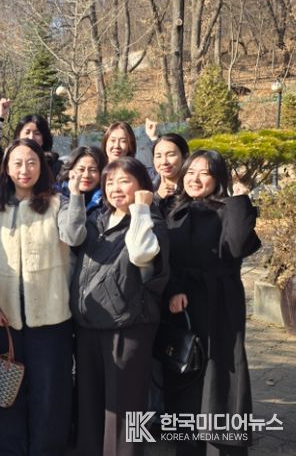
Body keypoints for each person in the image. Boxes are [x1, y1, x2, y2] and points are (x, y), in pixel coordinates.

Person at [0, 138, 86, 455]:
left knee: (50, 394)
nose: (24, 169)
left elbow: (74, 236)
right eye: (17, 163)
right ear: (6, 168)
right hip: (5, 318)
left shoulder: (56, 203)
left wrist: (76, 194)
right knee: (7, 391)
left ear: (42, 166)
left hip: (51, 317)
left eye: (32, 162)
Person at [161, 150, 260, 456]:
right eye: (190, 172)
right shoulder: (173, 209)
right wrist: (173, 289)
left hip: (220, 303)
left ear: (218, 177)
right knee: (186, 372)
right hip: (182, 307)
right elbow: (164, 258)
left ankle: (227, 445)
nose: (195, 179)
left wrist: (240, 198)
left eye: (204, 173)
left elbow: (238, 245)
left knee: (222, 374)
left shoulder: (228, 208)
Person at [71, 156, 170, 456]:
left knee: (125, 410)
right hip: (89, 326)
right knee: (90, 405)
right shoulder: (97, 220)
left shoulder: (151, 222)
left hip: (128, 327)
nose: (116, 188)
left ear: (142, 186)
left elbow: (140, 254)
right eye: (110, 182)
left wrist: (141, 209)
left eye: (125, 181)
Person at [56, 146, 107, 214]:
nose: (86, 175)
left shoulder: (107, 200)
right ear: (70, 171)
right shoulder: (57, 196)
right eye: (81, 169)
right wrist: (75, 193)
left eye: (93, 170)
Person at [152, 133, 189, 200]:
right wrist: (158, 197)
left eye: (171, 155)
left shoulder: (195, 188)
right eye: (158, 156)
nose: (164, 162)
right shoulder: (146, 191)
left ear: (184, 157)